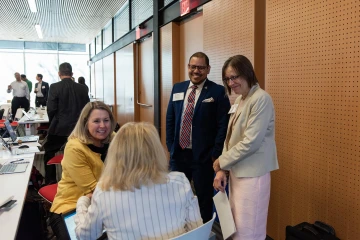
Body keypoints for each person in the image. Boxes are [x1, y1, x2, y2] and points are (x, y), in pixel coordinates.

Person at [75, 122, 203, 240]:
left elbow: (86, 236)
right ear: (156, 150)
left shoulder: (104, 191)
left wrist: (82, 202)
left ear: (116, 154)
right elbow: (197, 231)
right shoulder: (180, 182)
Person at [213, 55, 279, 240]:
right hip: (237, 173)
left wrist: (221, 162)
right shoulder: (240, 100)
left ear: (247, 73)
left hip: (253, 176)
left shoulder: (261, 99)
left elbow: (251, 142)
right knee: (237, 230)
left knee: (249, 232)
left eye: (235, 77)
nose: (231, 82)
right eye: (227, 79)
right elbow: (229, 139)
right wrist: (222, 170)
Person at [166, 52, 230, 223]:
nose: (196, 71)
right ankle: (179, 229)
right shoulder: (178, 88)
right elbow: (170, 119)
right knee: (176, 196)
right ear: (188, 67)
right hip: (179, 154)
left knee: (203, 200)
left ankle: (203, 231)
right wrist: (171, 146)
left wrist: (215, 154)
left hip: (204, 157)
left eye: (201, 67)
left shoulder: (217, 92)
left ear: (208, 69)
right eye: (193, 67)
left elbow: (223, 127)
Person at [49, 101, 116, 240]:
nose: (102, 126)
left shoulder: (114, 139)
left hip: (106, 203)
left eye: (106, 120)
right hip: (71, 206)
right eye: (96, 121)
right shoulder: (75, 147)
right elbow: (93, 191)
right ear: (85, 123)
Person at [44, 62, 89, 184]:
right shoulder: (83, 88)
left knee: (48, 151)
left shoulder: (54, 87)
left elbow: (51, 109)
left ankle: (51, 180)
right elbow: (88, 110)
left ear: (59, 74)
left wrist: (52, 122)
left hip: (60, 129)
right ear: (72, 74)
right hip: (79, 131)